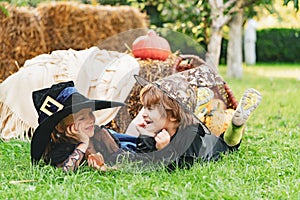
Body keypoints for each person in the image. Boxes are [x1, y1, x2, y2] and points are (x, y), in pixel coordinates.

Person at [116, 71, 262, 170]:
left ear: (172, 116)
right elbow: (143, 158)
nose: (144, 114)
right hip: (182, 124)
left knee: (228, 144)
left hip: (216, 147)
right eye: (145, 108)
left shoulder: (192, 136)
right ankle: (195, 106)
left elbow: (178, 167)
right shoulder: (161, 128)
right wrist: (146, 136)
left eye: (150, 109)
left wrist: (164, 150)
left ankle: (236, 126)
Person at [30, 81, 125, 172]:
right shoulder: (60, 149)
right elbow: (65, 170)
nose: (91, 120)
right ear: (60, 128)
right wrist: (83, 143)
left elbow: (123, 159)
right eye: (82, 118)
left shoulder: (99, 135)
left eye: (90, 113)